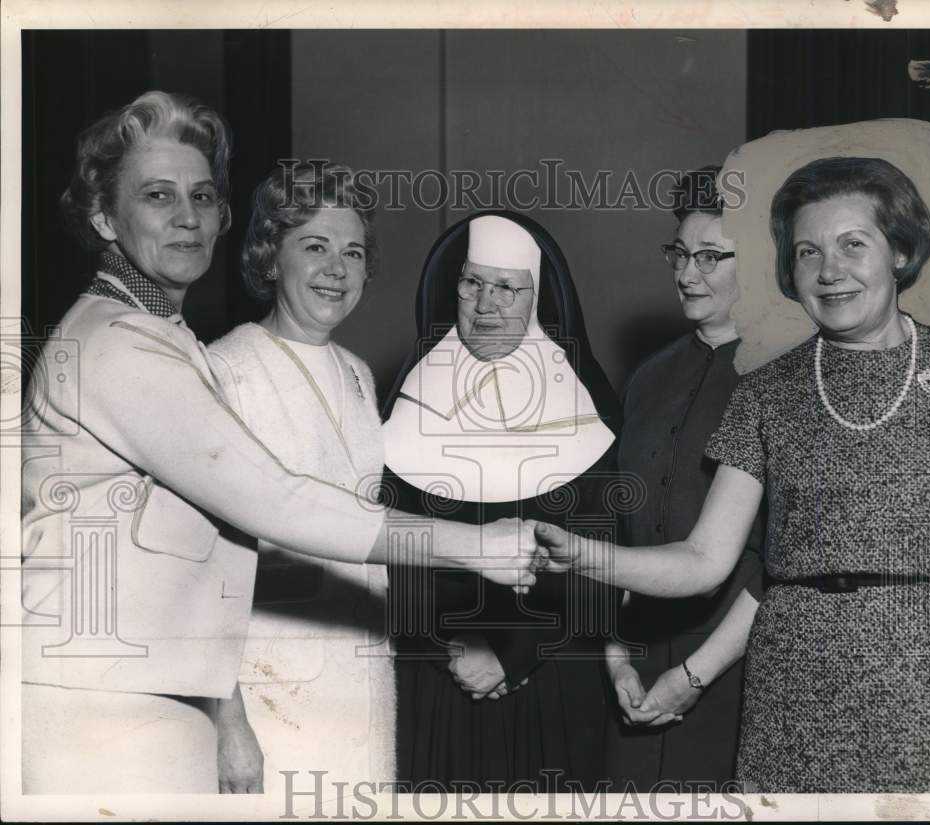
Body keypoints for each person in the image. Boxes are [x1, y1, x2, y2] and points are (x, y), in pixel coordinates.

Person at [19, 92, 542, 795]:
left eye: (203, 196)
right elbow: (279, 502)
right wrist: (474, 545)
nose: (187, 216)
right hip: (113, 702)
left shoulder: (164, 338)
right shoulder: (120, 345)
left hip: (159, 691)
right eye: (157, 195)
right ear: (103, 214)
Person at [535, 157, 930, 793]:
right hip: (791, 684)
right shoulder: (767, 390)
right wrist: (580, 556)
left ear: (902, 253)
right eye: (807, 251)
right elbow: (704, 560)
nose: (829, 270)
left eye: (854, 245)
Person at [381, 212, 621, 791]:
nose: (486, 304)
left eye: (508, 288)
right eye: (472, 283)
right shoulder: (411, 395)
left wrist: (515, 657)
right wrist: (452, 646)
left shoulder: (587, 403)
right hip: (439, 674)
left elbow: (600, 558)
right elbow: (387, 540)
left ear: (537, 299)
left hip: (554, 674)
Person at [206, 162, 394, 790]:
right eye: (314, 247)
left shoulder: (359, 375)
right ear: (269, 257)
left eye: (353, 252)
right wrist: (226, 722)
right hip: (271, 697)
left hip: (363, 683)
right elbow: (195, 568)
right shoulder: (226, 370)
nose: (336, 270)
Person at [604, 167, 762, 792]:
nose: (685, 273)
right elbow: (619, 531)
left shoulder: (783, 378)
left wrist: (695, 675)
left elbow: (779, 561)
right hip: (637, 668)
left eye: (710, 258)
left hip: (737, 668)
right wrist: (614, 657)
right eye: (679, 252)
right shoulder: (646, 377)